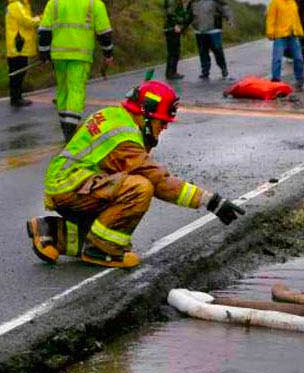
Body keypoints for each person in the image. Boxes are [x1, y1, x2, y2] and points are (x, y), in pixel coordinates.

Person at [26, 79, 245, 268]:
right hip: (71, 185)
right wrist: (211, 201)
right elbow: (159, 181)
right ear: (146, 115)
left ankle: (50, 231)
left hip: (71, 183)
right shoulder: (124, 139)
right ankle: (102, 250)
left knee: (111, 220)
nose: (164, 128)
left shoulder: (116, 117)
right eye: (162, 121)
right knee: (140, 187)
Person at [38, 0, 114, 141]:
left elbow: (44, 30)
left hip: (58, 55)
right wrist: (108, 53)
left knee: (63, 89)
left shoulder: (55, 1)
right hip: (80, 55)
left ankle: (65, 124)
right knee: (76, 89)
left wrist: (44, 53)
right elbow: (104, 33)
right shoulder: (94, 3)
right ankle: (70, 130)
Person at [186, 0, 234, 80]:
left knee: (217, 50)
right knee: (203, 52)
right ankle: (205, 72)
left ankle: (223, 69)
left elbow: (225, 8)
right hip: (199, 31)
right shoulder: (194, 0)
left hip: (213, 31)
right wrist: (182, 26)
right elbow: (188, 15)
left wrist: (229, 19)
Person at [5, 0, 40, 106]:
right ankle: (15, 98)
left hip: (20, 46)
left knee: (20, 72)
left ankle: (17, 97)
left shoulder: (21, 5)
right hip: (18, 46)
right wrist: (40, 19)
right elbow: (27, 22)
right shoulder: (16, 5)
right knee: (17, 73)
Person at [266, 0, 304, 91]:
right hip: (280, 36)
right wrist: (270, 32)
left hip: (293, 35)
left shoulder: (293, 3)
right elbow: (271, 18)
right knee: (277, 58)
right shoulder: (276, 2)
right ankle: (275, 81)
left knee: (299, 58)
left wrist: (300, 31)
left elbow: (296, 19)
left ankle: (299, 80)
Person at [163, 0, 188, 80]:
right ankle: (171, 73)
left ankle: (172, 72)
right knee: (174, 51)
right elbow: (170, 12)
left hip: (172, 26)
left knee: (174, 50)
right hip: (172, 27)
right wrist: (176, 24)